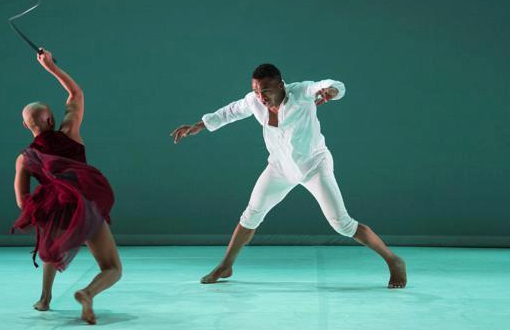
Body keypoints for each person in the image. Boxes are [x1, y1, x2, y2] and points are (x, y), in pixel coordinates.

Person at [170, 63, 406, 288]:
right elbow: (230, 112)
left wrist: (331, 91)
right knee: (251, 215)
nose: (260, 96)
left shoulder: (302, 93)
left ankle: (393, 260)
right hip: (280, 168)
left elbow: (332, 84)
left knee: (342, 224)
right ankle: (225, 266)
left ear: (281, 84)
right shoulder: (254, 101)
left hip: (314, 166)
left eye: (266, 90)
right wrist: (198, 126)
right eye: (256, 90)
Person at [12, 49, 122, 324]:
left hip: (59, 208)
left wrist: (44, 212)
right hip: (86, 205)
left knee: (50, 239)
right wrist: (50, 67)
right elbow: (76, 95)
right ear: (50, 120)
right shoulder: (69, 132)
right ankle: (87, 293)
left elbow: (22, 202)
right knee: (112, 268)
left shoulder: (24, 159)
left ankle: (45, 298)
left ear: (26, 126)